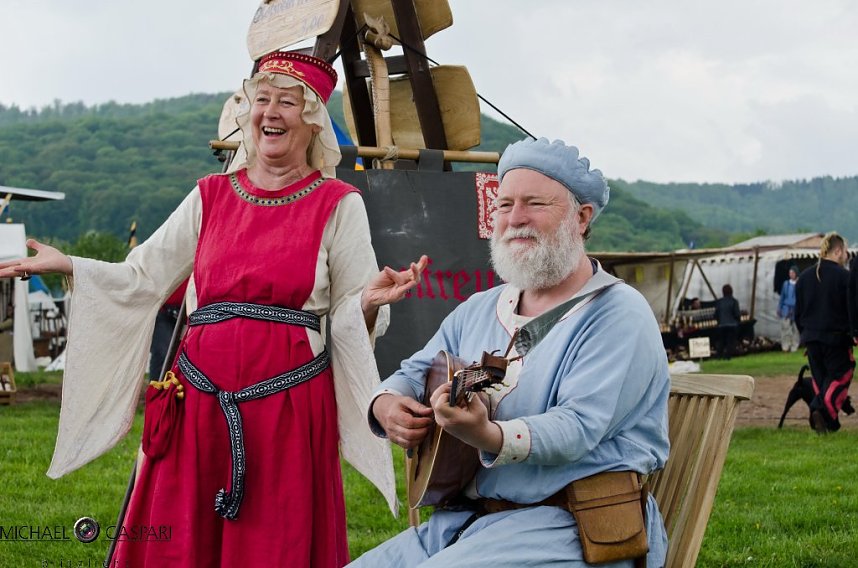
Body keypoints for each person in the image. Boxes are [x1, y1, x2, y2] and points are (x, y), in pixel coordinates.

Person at [0, 51, 428, 567]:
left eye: (286, 102)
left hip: (289, 410)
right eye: (261, 100)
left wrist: (366, 302)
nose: (269, 112)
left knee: (275, 541)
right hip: (197, 402)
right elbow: (144, 277)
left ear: (312, 121)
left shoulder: (337, 203)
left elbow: (347, 318)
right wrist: (70, 264)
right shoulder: (209, 195)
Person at [350, 138, 670, 567]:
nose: (515, 219)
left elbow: (577, 427)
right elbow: (416, 369)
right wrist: (388, 404)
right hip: (471, 525)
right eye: (504, 205)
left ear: (582, 217)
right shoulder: (480, 307)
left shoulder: (617, 313)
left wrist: (487, 435)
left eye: (535, 203)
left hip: (573, 527)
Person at [795, 232, 853, 433]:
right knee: (840, 376)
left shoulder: (803, 278)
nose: (846, 255)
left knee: (821, 381)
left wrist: (804, 336)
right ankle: (818, 410)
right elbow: (851, 308)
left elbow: (798, 313)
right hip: (836, 338)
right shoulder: (845, 277)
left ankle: (830, 424)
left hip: (811, 338)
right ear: (838, 251)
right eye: (845, 251)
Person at [714, 284, 741, 359]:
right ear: (731, 291)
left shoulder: (719, 302)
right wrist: (738, 322)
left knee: (721, 342)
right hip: (732, 325)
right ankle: (727, 356)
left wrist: (719, 322)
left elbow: (716, 314)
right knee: (730, 342)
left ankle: (719, 355)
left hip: (722, 325)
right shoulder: (734, 301)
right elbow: (737, 314)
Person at [778, 265, 800, 352]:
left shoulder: (799, 283)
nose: (791, 274)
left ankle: (794, 346)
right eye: (790, 273)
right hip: (786, 308)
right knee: (785, 328)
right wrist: (780, 307)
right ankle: (785, 346)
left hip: (796, 309)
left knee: (796, 329)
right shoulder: (786, 284)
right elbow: (782, 296)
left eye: (793, 273)